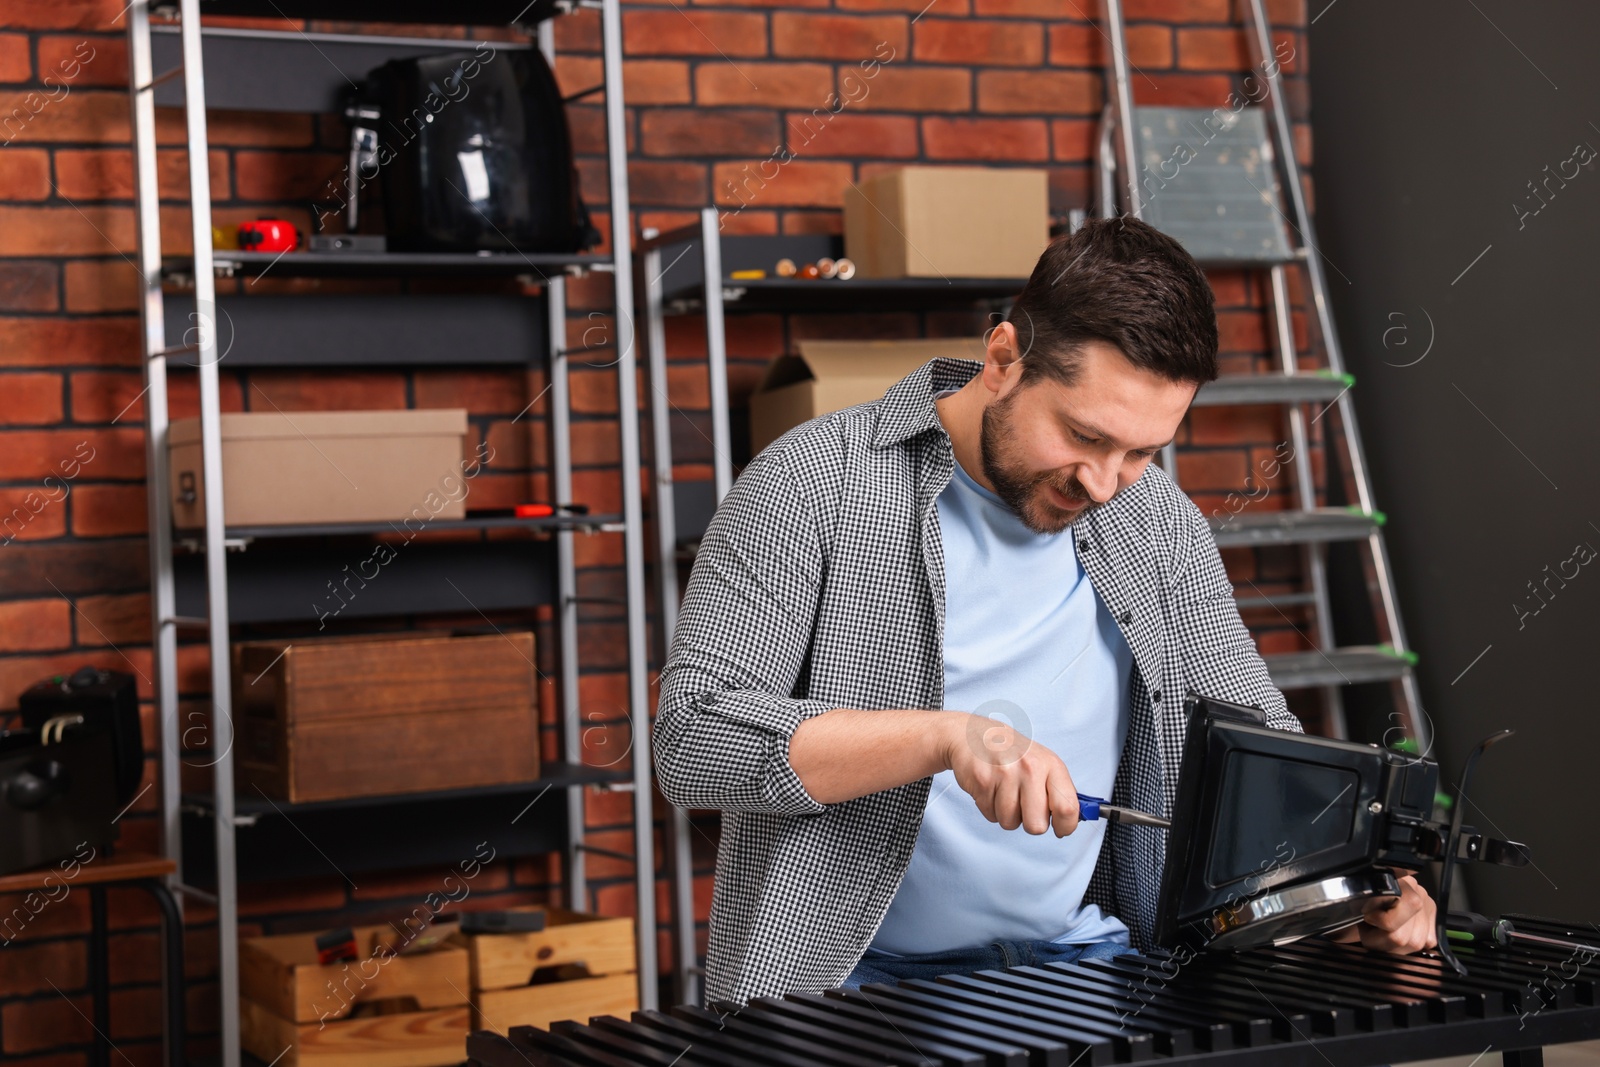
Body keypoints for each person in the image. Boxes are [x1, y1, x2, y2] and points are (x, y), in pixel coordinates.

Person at [652, 216, 1437, 1007]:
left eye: (1141, 452)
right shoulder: (812, 484)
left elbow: (1257, 734)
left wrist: (1350, 878)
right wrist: (946, 737)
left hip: (1081, 960)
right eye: (1083, 436)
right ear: (1002, 360)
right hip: (848, 982)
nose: (1104, 483)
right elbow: (692, 738)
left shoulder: (1154, 518)